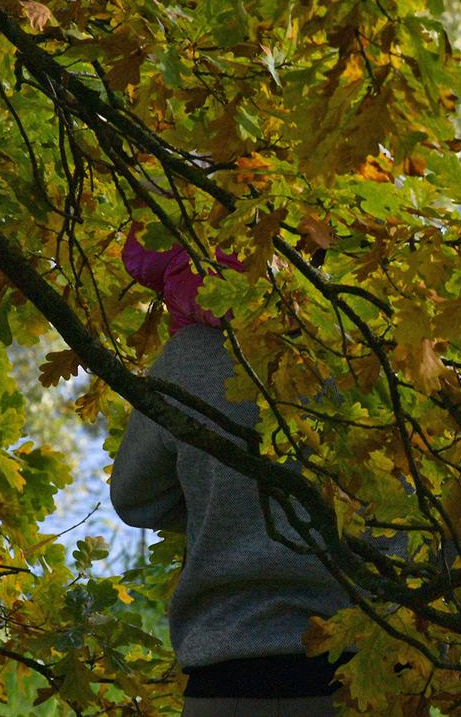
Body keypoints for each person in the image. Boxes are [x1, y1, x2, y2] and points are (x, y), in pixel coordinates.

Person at [111, 229, 351, 716]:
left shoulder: (187, 358)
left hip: (225, 675)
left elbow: (133, 497)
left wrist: (217, 503)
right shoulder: (365, 348)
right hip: (359, 675)